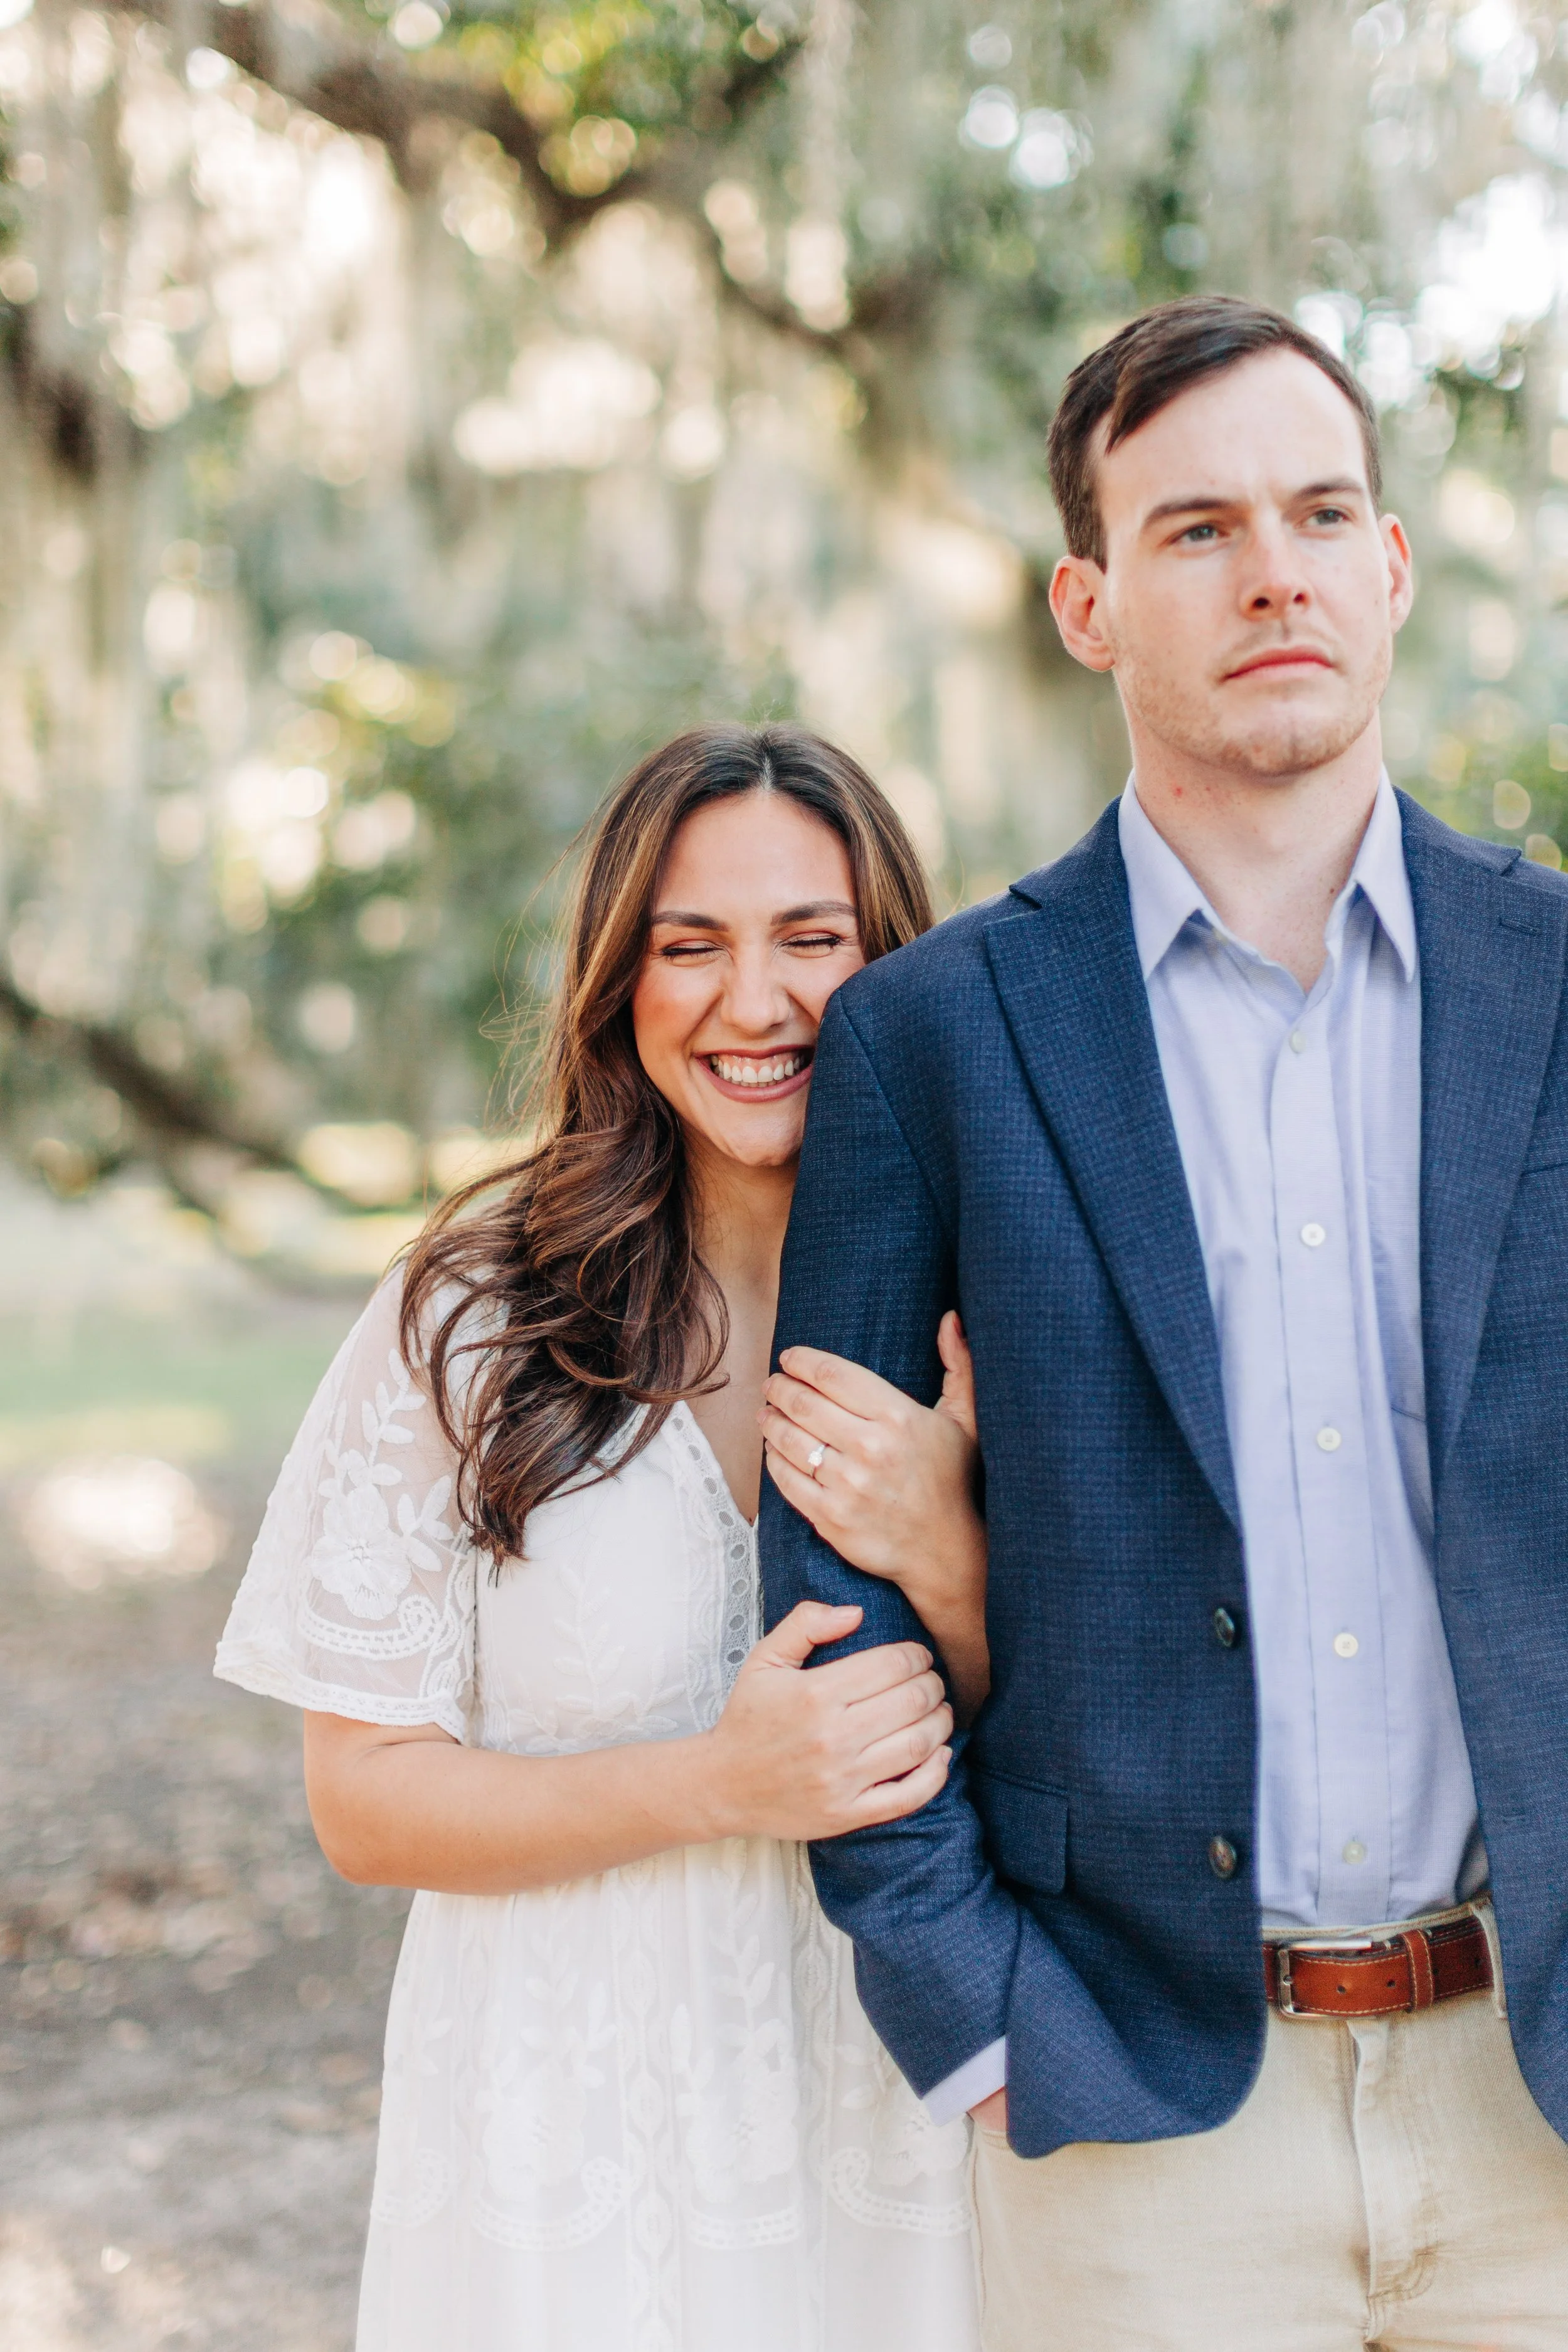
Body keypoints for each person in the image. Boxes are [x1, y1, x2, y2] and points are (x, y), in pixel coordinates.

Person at [760, 294, 1568, 2347]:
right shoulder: (930, 1035)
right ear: (1088, 602)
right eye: (1194, 528)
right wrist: (977, 2017)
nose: (1271, 566)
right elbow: (827, 1596)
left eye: (1317, 512)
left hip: (1541, 2092)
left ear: (1388, 570)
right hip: (1137, 2108)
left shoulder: (1555, 977)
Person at [213, 725, 987, 2352]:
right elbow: (361, 1798)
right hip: (560, 2124)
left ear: (897, 960)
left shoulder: (990, 1297)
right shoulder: (473, 1313)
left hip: (894, 2113)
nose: (752, 999)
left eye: (812, 937)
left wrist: (945, 1546)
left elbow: (1098, 1733)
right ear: (615, 979)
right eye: (686, 944)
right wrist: (715, 1781)